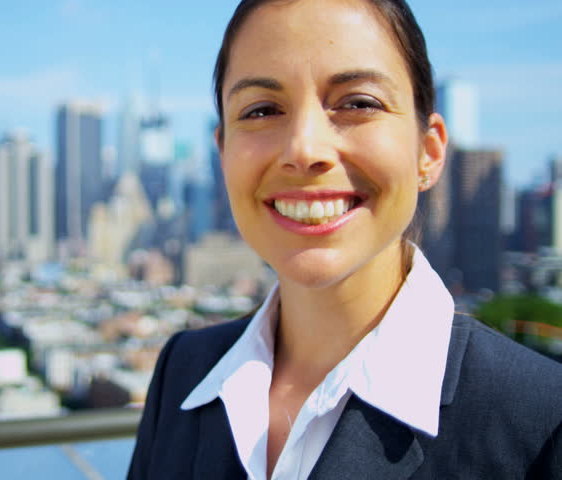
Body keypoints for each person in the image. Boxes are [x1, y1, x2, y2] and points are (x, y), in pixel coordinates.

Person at [127, 0, 562, 478]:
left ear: (429, 151)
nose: (304, 149)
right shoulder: (183, 371)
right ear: (223, 153)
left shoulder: (542, 420)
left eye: (358, 103)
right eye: (262, 109)